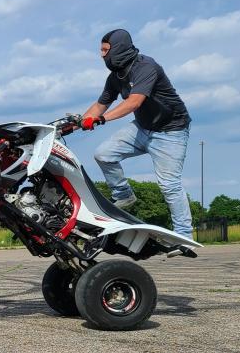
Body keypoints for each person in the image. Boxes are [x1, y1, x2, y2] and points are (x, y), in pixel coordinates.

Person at [80, 28, 194, 238]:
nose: (102, 55)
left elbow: (134, 102)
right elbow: (100, 104)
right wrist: (79, 122)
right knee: (103, 154)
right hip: (143, 128)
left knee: (169, 185)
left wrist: (101, 119)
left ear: (119, 48)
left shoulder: (145, 67)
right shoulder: (115, 76)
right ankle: (124, 195)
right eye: (101, 50)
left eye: (105, 50)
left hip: (171, 132)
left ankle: (184, 235)